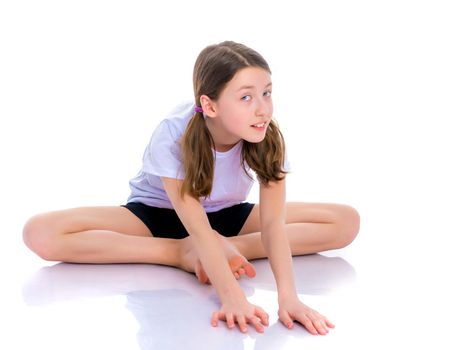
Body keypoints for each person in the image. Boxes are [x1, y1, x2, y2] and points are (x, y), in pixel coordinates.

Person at [23, 40, 360, 335]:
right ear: (210, 105)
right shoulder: (173, 133)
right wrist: (232, 297)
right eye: (246, 97)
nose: (263, 108)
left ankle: (226, 244)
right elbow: (196, 225)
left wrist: (289, 297)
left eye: (267, 93)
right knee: (40, 233)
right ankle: (176, 252)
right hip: (157, 215)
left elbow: (273, 224)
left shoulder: (266, 134)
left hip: (226, 216)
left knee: (345, 222)